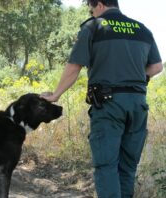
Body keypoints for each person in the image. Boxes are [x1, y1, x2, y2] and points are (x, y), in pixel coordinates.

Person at [40, 0, 163, 197]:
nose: (92, 13)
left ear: (98, 4)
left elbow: (74, 67)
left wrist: (56, 94)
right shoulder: (143, 29)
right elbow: (157, 66)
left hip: (109, 104)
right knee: (128, 167)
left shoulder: (93, 27)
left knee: (106, 166)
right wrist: (136, 78)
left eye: (91, 8)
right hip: (138, 104)